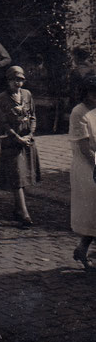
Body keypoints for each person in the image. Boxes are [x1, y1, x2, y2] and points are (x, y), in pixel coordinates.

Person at [0, 66, 40, 228]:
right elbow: (2, 123)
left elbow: (32, 116)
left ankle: (18, 207)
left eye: (20, 80)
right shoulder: (1, 98)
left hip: (26, 141)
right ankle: (24, 213)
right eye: (14, 80)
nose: (18, 83)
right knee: (17, 176)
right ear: (8, 81)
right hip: (11, 142)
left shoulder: (27, 95)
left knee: (23, 176)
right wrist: (17, 137)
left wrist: (30, 135)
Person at [68, 75, 96, 270]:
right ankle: (83, 249)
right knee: (91, 212)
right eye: (93, 94)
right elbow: (85, 148)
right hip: (88, 167)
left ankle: (82, 249)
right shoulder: (78, 112)